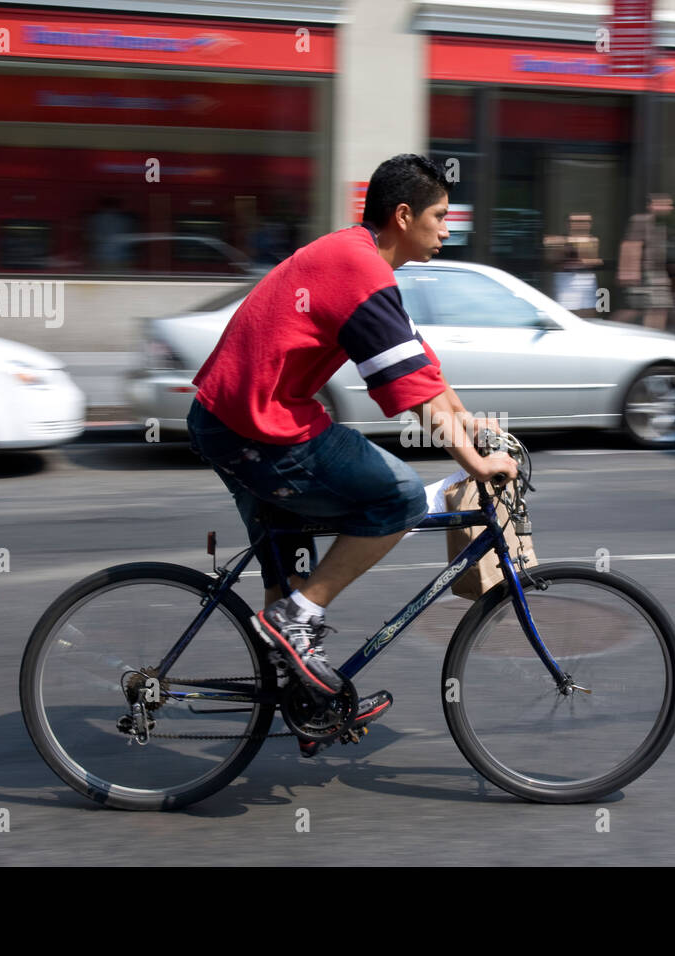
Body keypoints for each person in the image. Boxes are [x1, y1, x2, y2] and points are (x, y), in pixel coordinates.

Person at [186, 154, 518, 756]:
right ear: (402, 215)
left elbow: (420, 365)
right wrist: (475, 463)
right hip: (259, 428)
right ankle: (294, 621)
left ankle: (302, 697)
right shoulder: (360, 269)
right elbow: (416, 393)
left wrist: (476, 427)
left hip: (230, 420)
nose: (448, 229)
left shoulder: (356, 257)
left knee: (291, 564)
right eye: (440, 216)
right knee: (393, 498)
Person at [615, 193, 674, 329]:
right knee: (635, 308)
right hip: (645, 274)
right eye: (666, 204)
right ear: (653, 205)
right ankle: (608, 331)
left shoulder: (661, 225)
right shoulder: (641, 220)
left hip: (658, 274)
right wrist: (629, 273)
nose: (670, 208)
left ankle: (655, 339)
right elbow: (630, 245)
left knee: (659, 308)